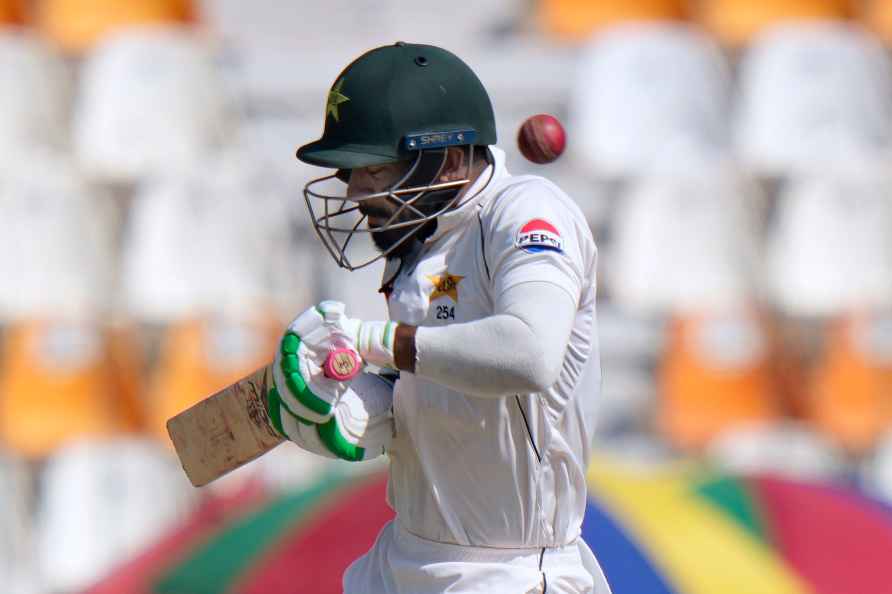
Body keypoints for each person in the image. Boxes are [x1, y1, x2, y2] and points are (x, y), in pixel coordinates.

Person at [270, 42, 610, 594]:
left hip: (511, 573)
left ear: (448, 159)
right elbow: (441, 381)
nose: (354, 192)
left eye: (373, 169)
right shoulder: (419, 240)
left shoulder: (526, 211)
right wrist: (359, 406)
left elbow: (529, 354)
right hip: (402, 558)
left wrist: (368, 339)